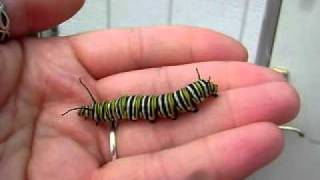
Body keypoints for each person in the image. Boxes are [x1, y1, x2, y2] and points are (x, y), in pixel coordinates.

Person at [0, 0, 300, 179]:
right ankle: (198, 90)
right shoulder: (105, 111)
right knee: (158, 105)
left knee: (161, 105)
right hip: (154, 105)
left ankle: (198, 91)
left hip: (161, 103)